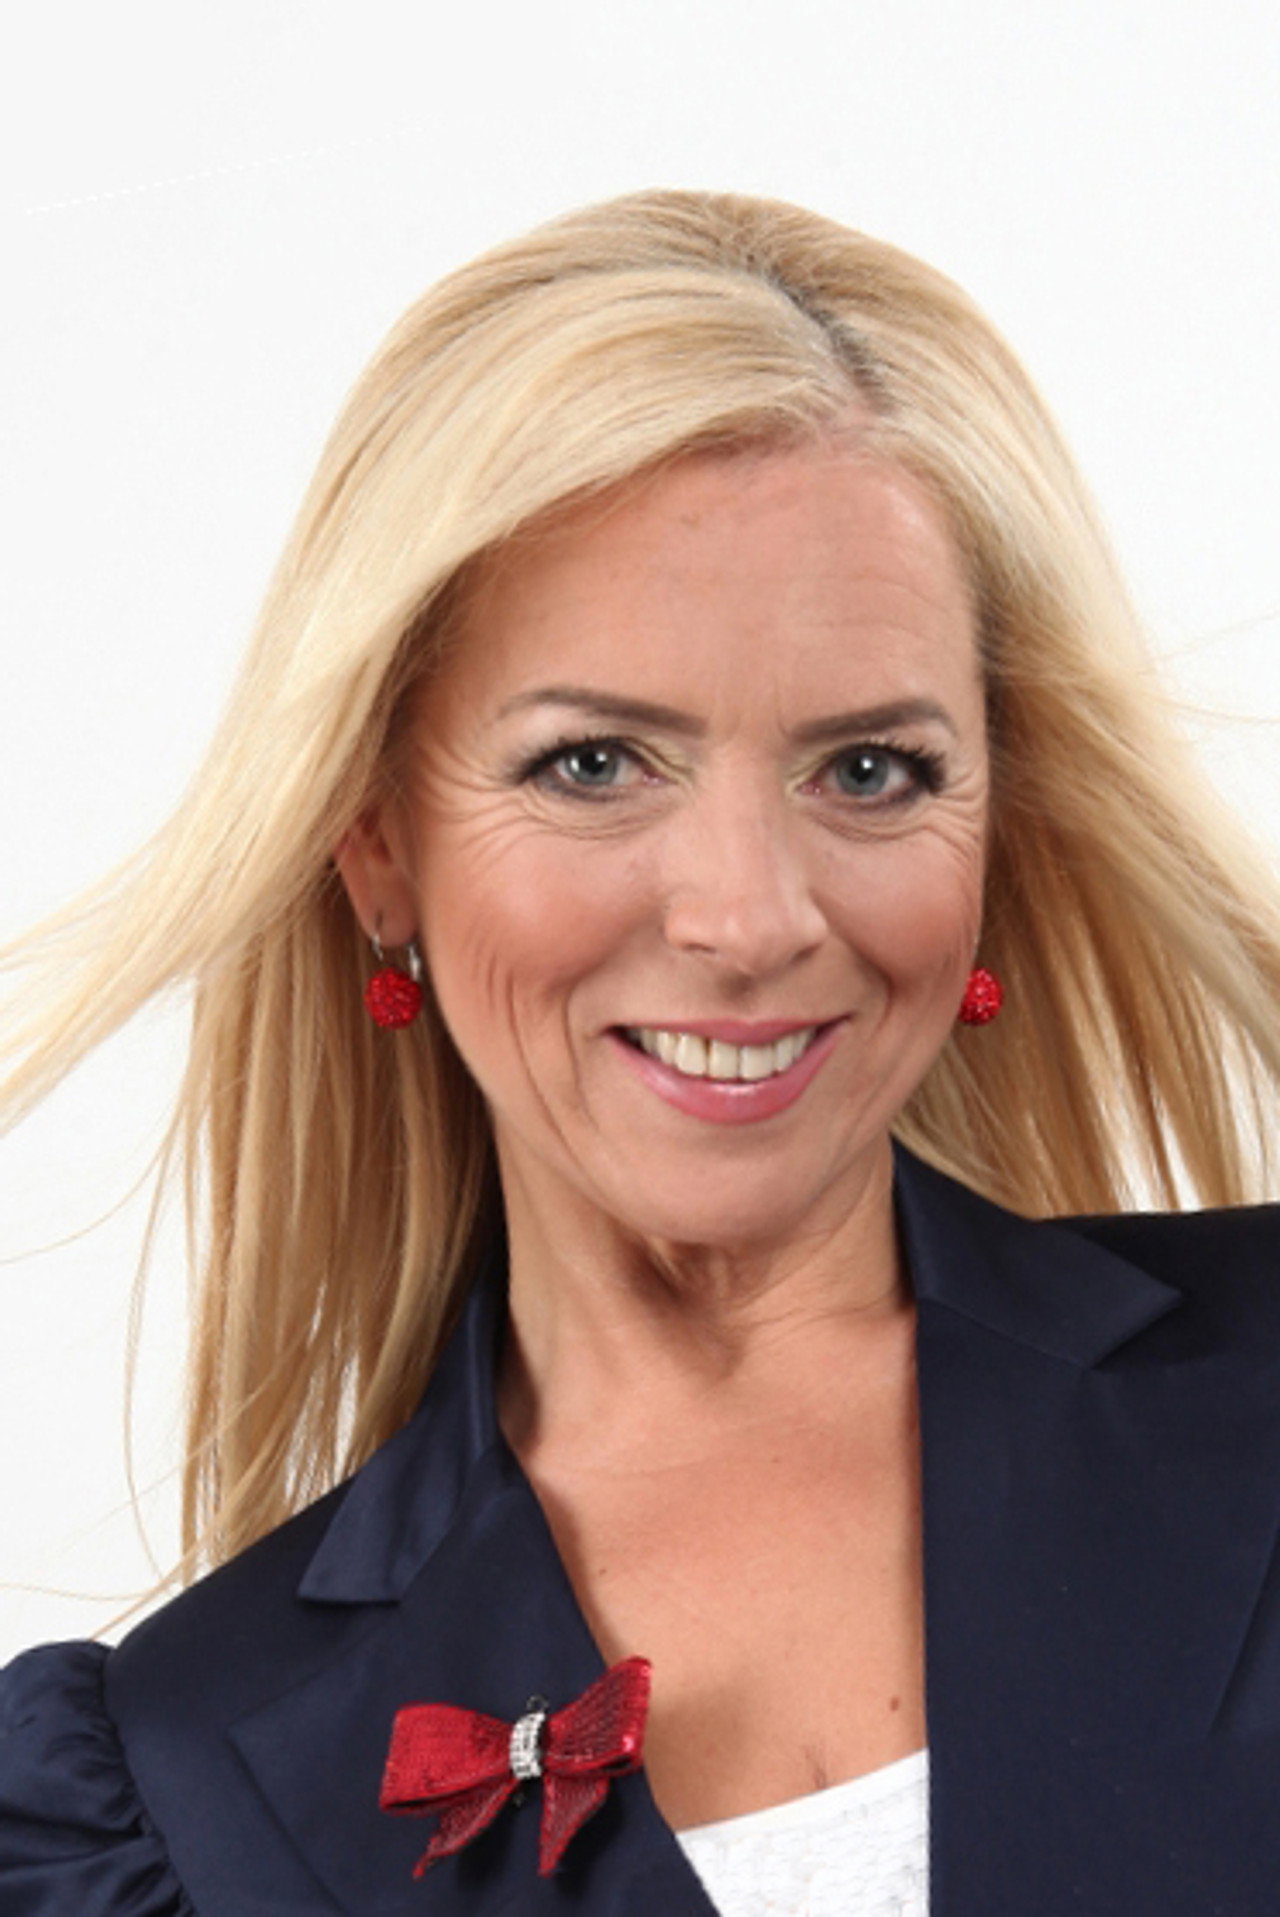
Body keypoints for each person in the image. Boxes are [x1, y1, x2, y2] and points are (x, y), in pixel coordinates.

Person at [2, 189, 1280, 1917]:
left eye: (871, 770)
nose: (748, 918)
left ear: (997, 820)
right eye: (593, 765)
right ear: (376, 845)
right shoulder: (174, 1791)